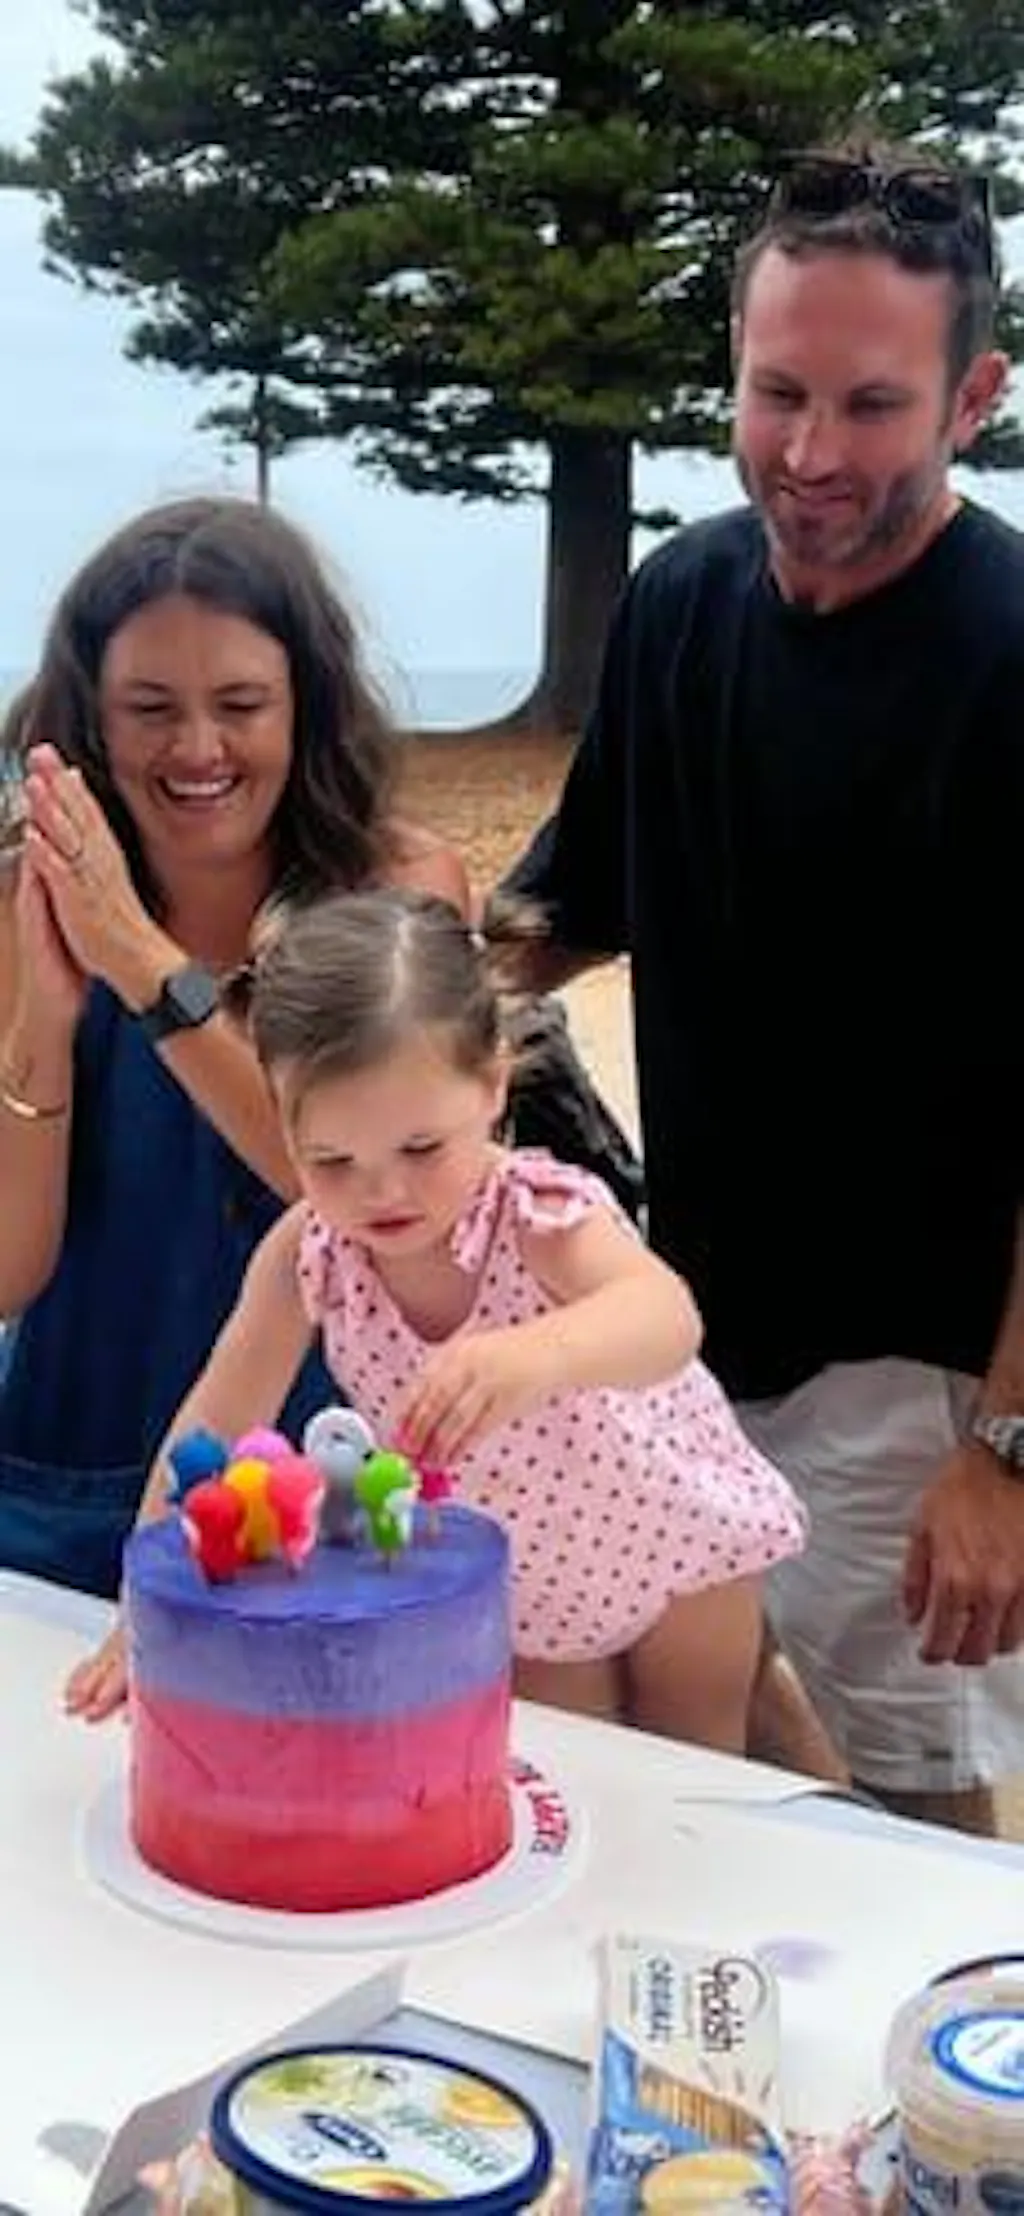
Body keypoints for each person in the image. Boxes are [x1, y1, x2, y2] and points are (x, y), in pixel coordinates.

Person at [506, 137, 1024, 1830]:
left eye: (870, 405)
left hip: (929, 1368)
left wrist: (1003, 1454)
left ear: (973, 399)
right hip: (691, 1319)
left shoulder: (1009, 653)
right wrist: (367, 957)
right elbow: (564, 907)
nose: (807, 453)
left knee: (916, 1814)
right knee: (719, 1742)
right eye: (775, 392)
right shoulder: (678, 601)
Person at [69, 888, 808, 1743]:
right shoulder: (308, 1252)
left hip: (673, 1535)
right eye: (331, 1160)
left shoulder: (533, 1214)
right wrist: (146, 1604)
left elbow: (666, 1318)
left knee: (690, 1768)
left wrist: (537, 1355)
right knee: (570, 1770)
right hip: (521, 1577)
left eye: (421, 1148)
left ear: (492, 1082)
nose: (382, 1191)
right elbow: (215, 1420)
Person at [0, 496, 468, 1609]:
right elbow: (10, 1272)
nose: (199, 748)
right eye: (150, 708)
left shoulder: (398, 892)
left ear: (306, 706)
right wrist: (44, 1025)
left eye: (242, 705)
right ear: (93, 718)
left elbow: (361, 1187)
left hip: (329, 1495)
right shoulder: (21, 902)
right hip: (61, 1483)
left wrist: (142, 964)